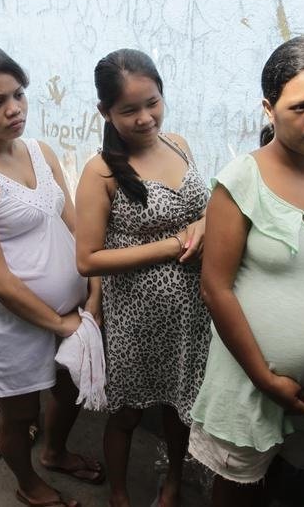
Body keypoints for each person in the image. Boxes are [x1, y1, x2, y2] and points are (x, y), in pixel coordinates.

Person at [187, 37, 304, 506]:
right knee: (236, 490)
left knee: (292, 484)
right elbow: (216, 289)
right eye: (302, 106)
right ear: (269, 109)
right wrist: (265, 379)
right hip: (248, 385)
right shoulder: (241, 181)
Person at [0, 40, 103, 507]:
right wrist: (60, 323)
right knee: (17, 412)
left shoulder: (39, 151)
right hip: (12, 323)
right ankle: (27, 482)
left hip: (72, 309)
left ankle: (54, 451)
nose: (14, 109)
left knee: (70, 384)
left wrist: (91, 296)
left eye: (19, 94)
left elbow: (75, 227)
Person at [74, 48, 210, 507]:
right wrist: (173, 246)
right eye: (128, 110)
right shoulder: (101, 171)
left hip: (193, 309)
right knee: (127, 411)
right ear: (105, 112)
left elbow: (205, 210)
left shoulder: (179, 144)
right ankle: (119, 494)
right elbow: (88, 259)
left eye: (152, 102)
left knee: (179, 408)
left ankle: (172, 482)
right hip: (135, 317)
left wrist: (206, 224)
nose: (144, 118)